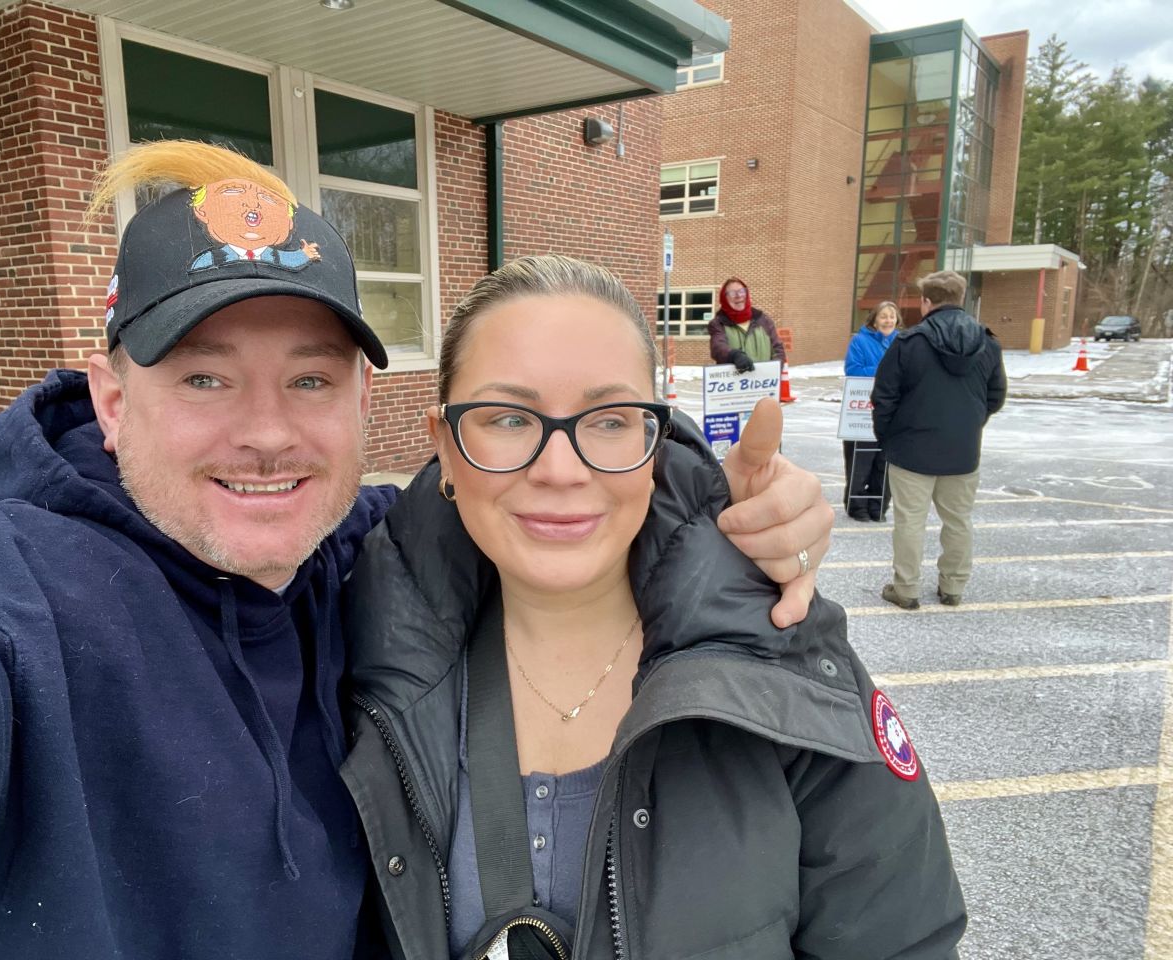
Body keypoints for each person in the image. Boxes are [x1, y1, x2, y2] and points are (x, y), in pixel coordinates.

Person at [0, 142, 832, 960]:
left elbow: (516, 482)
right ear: (109, 399)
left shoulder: (353, 550)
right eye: (205, 377)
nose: (267, 433)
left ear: (362, 406)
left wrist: (717, 522)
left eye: (309, 378)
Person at [341, 255, 966, 960]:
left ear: (653, 444)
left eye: (608, 420)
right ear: (445, 447)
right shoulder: (361, 646)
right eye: (509, 418)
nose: (560, 469)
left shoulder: (780, 658)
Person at [872, 270, 1006, 610]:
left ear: (925, 302)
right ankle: (953, 586)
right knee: (958, 521)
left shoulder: (908, 343)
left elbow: (884, 397)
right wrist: (971, 423)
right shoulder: (988, 342)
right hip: (962, 449)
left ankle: (907, 588)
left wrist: (887, 436)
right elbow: (996, 395)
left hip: (911, 448)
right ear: (961, 300)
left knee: (909, 523)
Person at [842, 300, 899, 521]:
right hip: (862, 412)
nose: (888, 320)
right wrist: (886, 370)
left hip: (892, 413)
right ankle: (857, 506)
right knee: (860, 462)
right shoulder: (860, 341)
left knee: (884, 463)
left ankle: (878, 506)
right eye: (883, 316)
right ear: (874, 319)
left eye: (892, 316)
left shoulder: (902, 341)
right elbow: (853, 369)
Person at [707, 277, 786, 372]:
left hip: (764, 383)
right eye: (732, 293)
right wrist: (734, 355)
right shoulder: (718, 323)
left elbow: (778, 348)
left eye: (742, 291)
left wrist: (774, 369)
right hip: (734, 384)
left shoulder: (764, 320)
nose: (738, 296)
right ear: (724, 298)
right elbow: (718, 348)